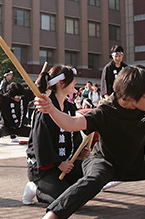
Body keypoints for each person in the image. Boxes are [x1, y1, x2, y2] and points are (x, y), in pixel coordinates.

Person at [33, 35, 145, 218]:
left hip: (135, 163)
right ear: (131, 97)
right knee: (94, 180)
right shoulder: (105, 112)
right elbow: (71, 124)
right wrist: (51, 110)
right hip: (104, 162)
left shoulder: (142, 94)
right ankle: (52, 216)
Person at [22, 65, 88, 206]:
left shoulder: (70, 108)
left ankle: (64, 186)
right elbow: (41, 144)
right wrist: (58, 164)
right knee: (66, 203)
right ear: (60, 83)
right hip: (46, 169)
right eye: (72, 80)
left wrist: (80, 152)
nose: (75, 83)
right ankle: (36, 188)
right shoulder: (44, 109)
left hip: (66, 164)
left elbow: (74, 134)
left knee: (92, 179)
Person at [0, 82, 31, 168]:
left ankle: (33, 157)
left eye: (20, 97)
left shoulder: (25, 95)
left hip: (19, 126)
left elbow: (37, 90)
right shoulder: (5, 98)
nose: (19, 99)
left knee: (36, 133)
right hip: (5, 125)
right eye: (16, 97)